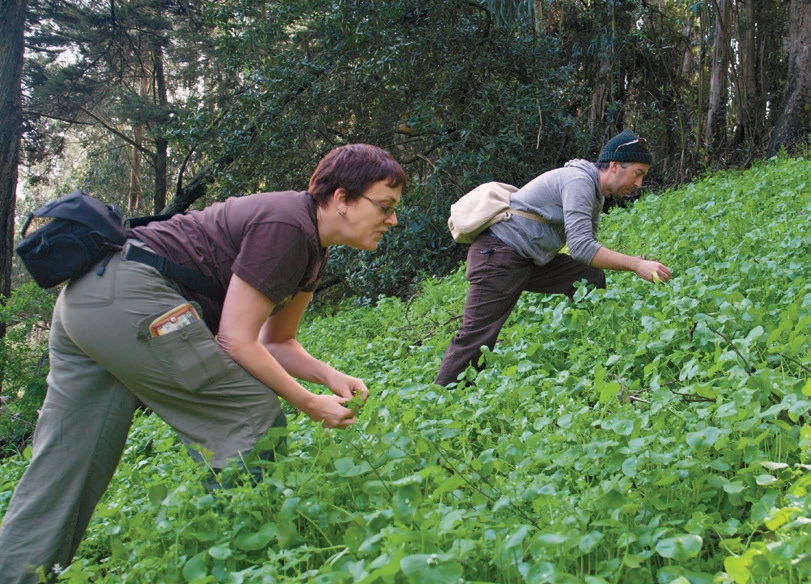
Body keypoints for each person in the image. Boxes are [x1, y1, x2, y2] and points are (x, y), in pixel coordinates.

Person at [0, 143, 407, 583]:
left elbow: (278, 341)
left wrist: (330, 376)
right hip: (131, 294)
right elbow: (235, 339)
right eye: (384, 206)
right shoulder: (287, 225)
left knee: (70, 460)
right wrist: (308, 403)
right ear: (343, 199)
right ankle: (246, 563)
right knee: (249, 416)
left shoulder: (310, 245)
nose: (393, 220)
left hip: (91, 301)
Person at [434, 130, 671, 386]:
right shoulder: (578, 181)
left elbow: (585, 248)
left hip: (529, 259)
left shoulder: (595, 193)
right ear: (614, 165)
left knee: (586, 275)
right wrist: (636, 264)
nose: (638, 184)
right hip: (498, 254)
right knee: (477, 336)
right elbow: (581, 247)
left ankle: (590, 347)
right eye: (638, 174)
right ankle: (443, 399)